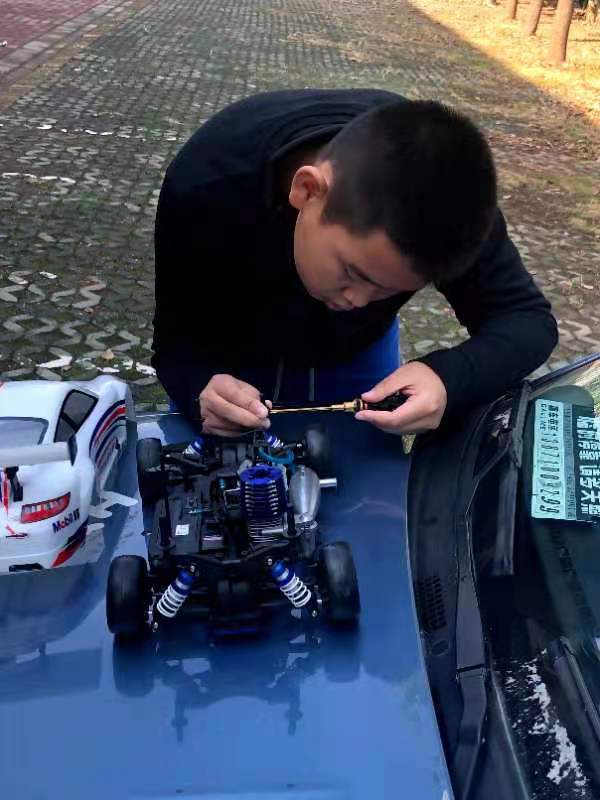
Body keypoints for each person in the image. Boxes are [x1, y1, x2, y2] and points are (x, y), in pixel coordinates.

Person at [152, 88, 557, 436]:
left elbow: (527, 320)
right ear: (307, 190)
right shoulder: (207, 183)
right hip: (230, 360)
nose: (358, 301)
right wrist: (198, 388)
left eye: (391, 289)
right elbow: (175, 342)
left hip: (357, 360)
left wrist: (449, 378)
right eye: (352, 272)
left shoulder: (450, 205)